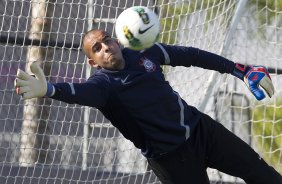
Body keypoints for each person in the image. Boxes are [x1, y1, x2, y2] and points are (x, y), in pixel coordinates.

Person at [15, 29, 281, 184]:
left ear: (117, 41)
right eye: (97, 48)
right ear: (94, 62)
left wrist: (240, 70)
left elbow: (191, 55)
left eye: (107, 40)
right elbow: (78, 93)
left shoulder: (143, 53)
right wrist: (49, 89)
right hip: (172, 161)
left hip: (201, 131)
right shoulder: (102, 86)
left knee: (266, 178)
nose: (106, 47)